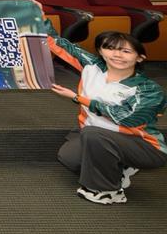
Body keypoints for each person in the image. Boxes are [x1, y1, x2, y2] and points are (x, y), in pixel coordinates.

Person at [48, 32, 165, 204]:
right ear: (101, 52)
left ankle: (108, 191)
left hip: (144, 145)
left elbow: (125, 118)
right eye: (110, 48)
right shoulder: (92, 66)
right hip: (98, 136)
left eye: (126, 51)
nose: (117, 55)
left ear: (140, 58)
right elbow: (60, 43)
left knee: (93, 134)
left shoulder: (149, 89)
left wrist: (78, 98)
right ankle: (121, 166)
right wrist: (33, 19)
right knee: (69, 158)